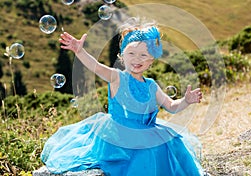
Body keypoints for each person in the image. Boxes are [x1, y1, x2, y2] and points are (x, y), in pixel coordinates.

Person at [41, 17, 205, 175]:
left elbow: (171, 106)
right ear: (122, 56)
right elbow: (96, 67)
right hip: (119, 133)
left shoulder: (151, 86)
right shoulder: (117, 77)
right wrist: (80, 51)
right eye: (131, 53)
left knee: (169, 143)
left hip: (147, 132)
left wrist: (186, 101)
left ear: (151, 61)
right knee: (145, 153)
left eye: (143, 55)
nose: (137, 59)